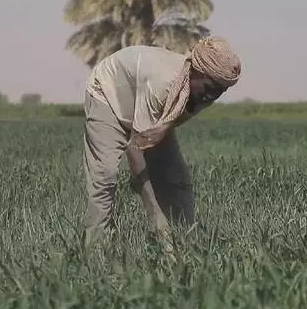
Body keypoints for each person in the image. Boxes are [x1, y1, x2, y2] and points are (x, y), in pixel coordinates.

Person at [80, 36, 242, 256]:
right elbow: (136, 148)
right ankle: (97, 254)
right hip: (108, 95)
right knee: (105, 177)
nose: (213, 95)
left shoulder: (201, 94)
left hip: (147, 110)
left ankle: (186, 246)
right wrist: (155, 215)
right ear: (197, 72)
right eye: (210, 87)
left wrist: (154, 175)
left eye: (221, 91)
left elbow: (161, 129)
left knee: (176, 179)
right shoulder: (163, 83)